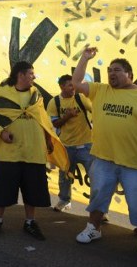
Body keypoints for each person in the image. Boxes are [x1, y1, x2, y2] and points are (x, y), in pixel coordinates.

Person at [72, 47, 137, 262]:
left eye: (117, 70)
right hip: (103, 159)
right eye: (110, 70)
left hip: (135, 164)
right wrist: (84, 58)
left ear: (130, 74)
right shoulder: (101, 90)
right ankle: (94, 228)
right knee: (98, 197)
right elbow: (77, 83)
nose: (112, 74)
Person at [0, 61, 67, 241]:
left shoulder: (36, 95)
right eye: (31, 74)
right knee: (2, 191)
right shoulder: (1, 94)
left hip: (33, 151)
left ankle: (30, 222)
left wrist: (48, 139)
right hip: (7, 154)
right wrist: (1, 131)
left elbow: (42, 118)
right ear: (20, 75)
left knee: (32, 190)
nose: (34, 77)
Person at [46, 74, 94, 212]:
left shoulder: (80, 98)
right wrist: (67, 116)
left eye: (74, 85)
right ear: (61, 86)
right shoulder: (54, 102)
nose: (73, 88)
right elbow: (55, 123)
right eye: (70, 85)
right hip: (67, 146)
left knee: (95, 177)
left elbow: (95, 111)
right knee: (65, 176)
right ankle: (64, 201)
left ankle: (98, 209)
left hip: (87, 145)